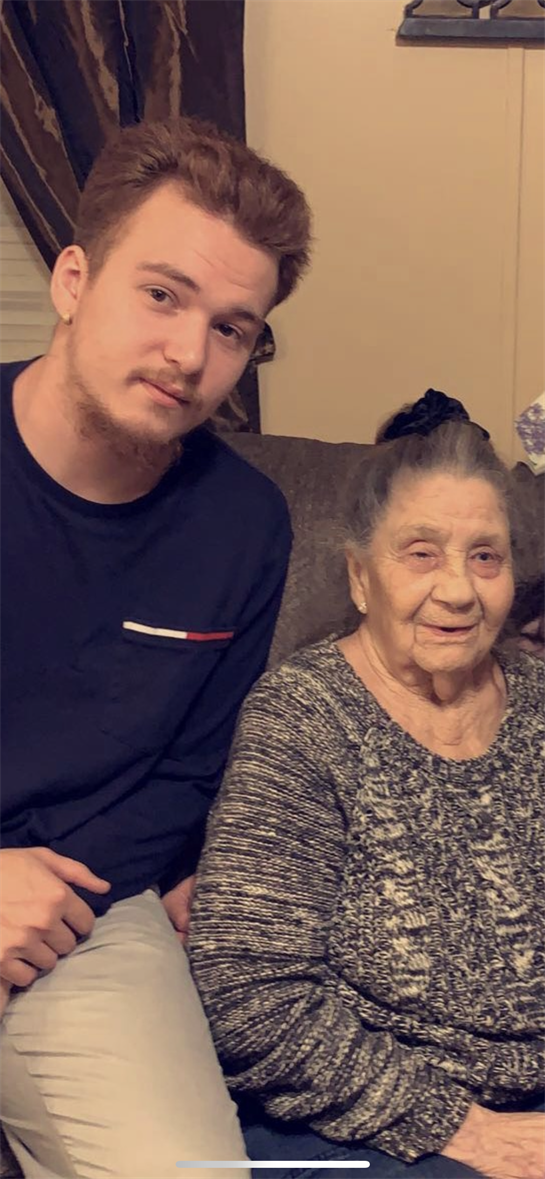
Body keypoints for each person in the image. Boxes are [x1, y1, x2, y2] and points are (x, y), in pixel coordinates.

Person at [0, 116, 311, 1179]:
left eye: (233, 327)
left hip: (82, 914)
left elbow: (188, 777)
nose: (190, 355)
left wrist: (48, 905)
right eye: (162, 294)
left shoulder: (244, 527)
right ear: (76, 278)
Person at [189, 390, 545, 1179]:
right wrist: (464, 1128)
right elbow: (249, 994)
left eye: (484, 556)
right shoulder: (304, 718)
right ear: (359, 577)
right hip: (360, 1125)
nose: (456, 589)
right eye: (419, 552)